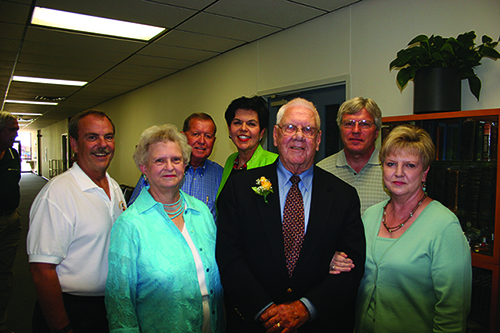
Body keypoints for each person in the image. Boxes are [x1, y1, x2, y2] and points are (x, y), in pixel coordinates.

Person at [216, 97, 366, 332]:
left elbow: (352, 267)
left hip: (318, 324)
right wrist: (264, 310)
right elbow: (229, 256)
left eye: (308, 130)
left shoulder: (343, 196)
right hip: (255, 324)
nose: (299, 135)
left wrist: (306, 308)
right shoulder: (240, 188)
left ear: (318, 140)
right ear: (275, 136)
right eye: (290, 128)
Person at [332, 124, 472, 332]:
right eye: (390, 164)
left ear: (424, 172)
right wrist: (338, 259)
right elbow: (355, 267)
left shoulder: (444, 225)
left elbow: (452, 311)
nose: (398, 173)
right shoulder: (370, 216)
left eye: (409, 166)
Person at [105, 124, 223, 332]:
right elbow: (120, 302)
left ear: (184, 165)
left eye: (176, 159)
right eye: (159, 160)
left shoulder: (202, 212)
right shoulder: (130, 224)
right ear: (144, 168)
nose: (169, 167)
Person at [27, 110, 126, 333]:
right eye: (92, 137)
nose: (103, 144)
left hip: (107, 307)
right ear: (74, 144)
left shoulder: (115, 188)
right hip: (71, 310)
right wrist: (63, 328)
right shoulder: (57, 194)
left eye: (108, 137)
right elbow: (42, 270)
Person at [128, 113, 223, 221]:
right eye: (196, 134)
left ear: (214, 141)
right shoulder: (158, 172)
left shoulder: (220, 175)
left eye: (208, 136)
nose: (202, 141)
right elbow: (133, 213)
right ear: (183, 136)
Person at [317, 97, 389, 215]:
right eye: (349, 124)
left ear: (376, 132)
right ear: (340, 129)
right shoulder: (321, 171)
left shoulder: (392, 172)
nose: (356, 130)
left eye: (364, 124)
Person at [216, 96, 278, 198]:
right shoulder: (230, 161)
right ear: (229, 129)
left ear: (261, 133)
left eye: (251, 124)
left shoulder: (274, 162)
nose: (243, 128)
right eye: (237, 123)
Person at [0, 112, 21, 333]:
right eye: (11, 129)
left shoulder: (13, 156)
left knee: (5, 275)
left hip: (11, 220)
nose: (15, 134)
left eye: (16, 129)